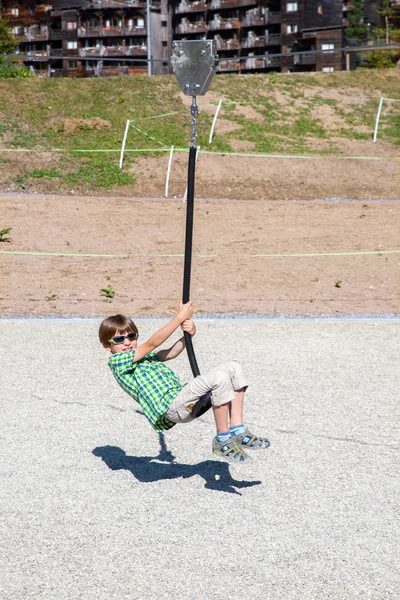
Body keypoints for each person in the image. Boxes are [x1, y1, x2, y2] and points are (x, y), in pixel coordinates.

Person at [98, 301, 270, 463]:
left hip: (182, 398)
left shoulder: (144, 358)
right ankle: (222, 440)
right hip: (172, 406)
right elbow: (151, 343)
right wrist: (179, 318)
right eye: (119, 340)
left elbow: (170, 353)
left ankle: (238, 430)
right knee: (219, 378)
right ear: (108, 346)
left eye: (131, 336)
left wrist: (187, 336)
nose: (127, 342)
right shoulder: (118, 362)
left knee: (233, 367)